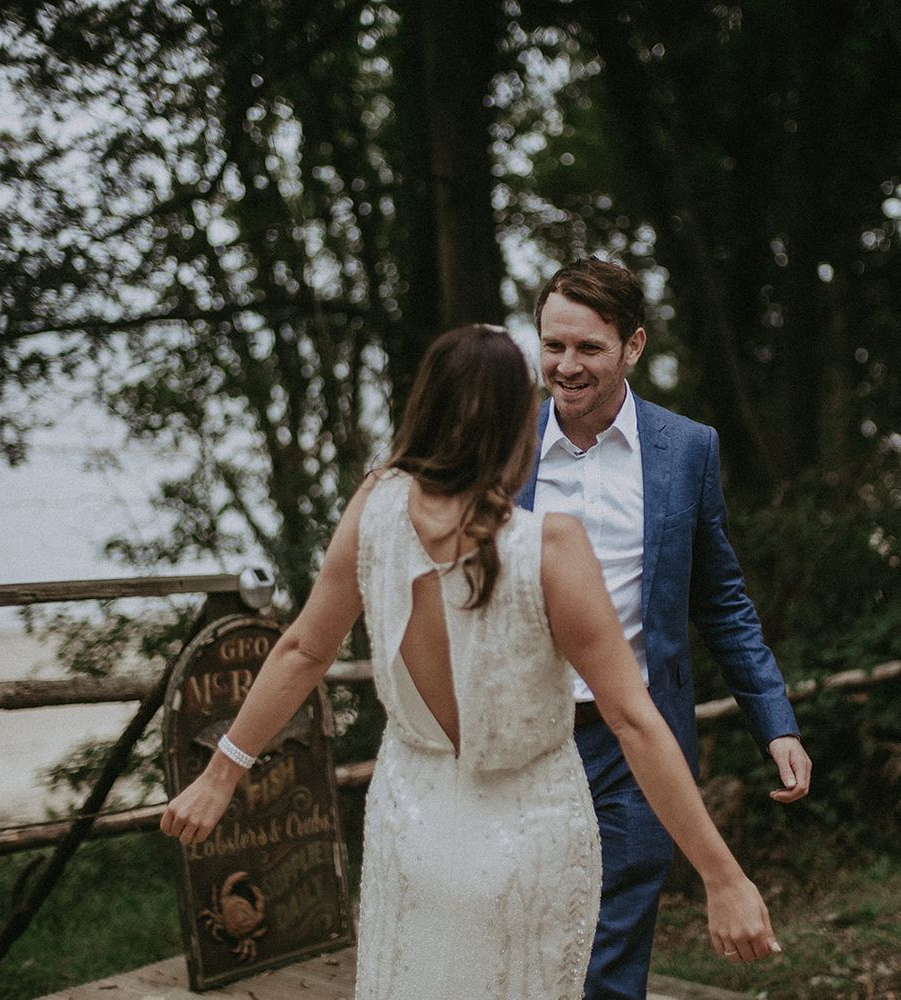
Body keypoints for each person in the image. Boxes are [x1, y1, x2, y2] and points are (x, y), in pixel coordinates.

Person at [161, 324, 781, 1000]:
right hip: (529, 843)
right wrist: (723, 876)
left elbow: (303, 649)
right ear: (520, 422)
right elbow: (633, 719)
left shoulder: (374, 506)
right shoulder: (550, 546)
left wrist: (222, 775)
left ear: (423, 406)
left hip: (413, 828)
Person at [518, 258, 812, 999]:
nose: (567, 365)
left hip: (637, 741)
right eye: (554, 345)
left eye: (588, 347)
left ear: (633, 347)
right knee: (524, 938)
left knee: (611, 949)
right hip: (521, 736)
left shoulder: (686, 449)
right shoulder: (500, 444)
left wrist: (773, 719)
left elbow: (721, 601)